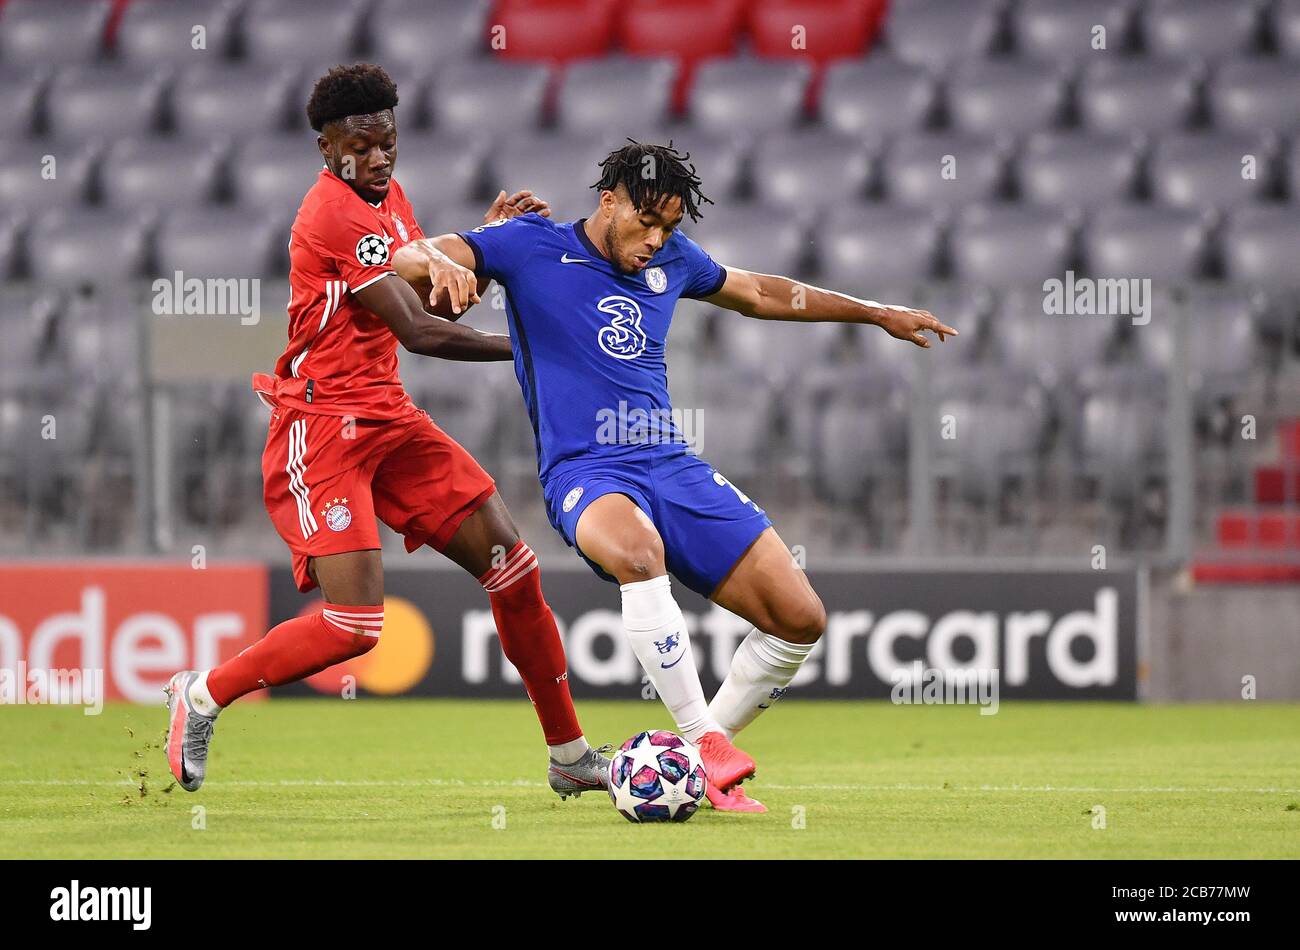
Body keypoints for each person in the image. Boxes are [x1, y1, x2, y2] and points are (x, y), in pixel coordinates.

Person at [391, 140, 957, 812]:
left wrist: (873, 311)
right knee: (638, 552)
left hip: (671, 465)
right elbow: (403, 257)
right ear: (609, 201)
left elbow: (760, 292)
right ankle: (706, 743)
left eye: (670, 227)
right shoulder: (528, 245)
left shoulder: (675, 261)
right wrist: (436, 260)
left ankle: (690, 758)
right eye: (646, 222)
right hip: (586, 470)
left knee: (800, 619)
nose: (657, 240)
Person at [165, 64, 609, 800]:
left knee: (514, 569)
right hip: (323, 426)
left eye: (388, 142)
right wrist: (535, 350)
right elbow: (421, 333)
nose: (378, 159)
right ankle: (203, 693)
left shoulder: (390, 201)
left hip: (389, 415)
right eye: (361, 147)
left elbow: (433, 305)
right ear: (326, 148)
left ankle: (567, 753)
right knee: (354, 627)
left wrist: (487, 253)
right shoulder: (329, 215)